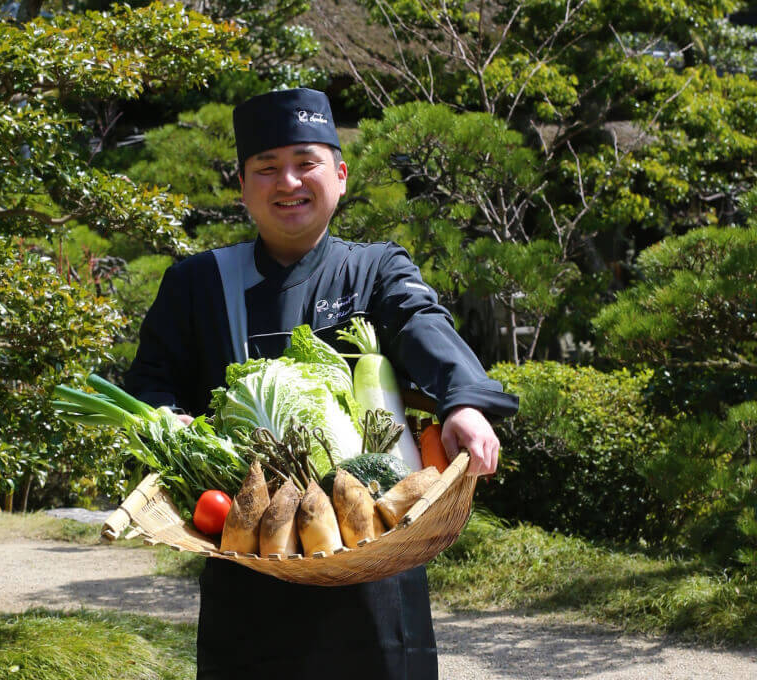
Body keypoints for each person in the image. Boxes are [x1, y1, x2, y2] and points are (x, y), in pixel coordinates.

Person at [124, 88, 519, 680]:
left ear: (338, 175)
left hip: (374, 567)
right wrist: (164, 421)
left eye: (305, 163)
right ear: (242, 185)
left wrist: (462, 400)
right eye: (267, 168)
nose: (288, 182)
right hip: (248, 565)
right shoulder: (196, 284)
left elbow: (420, 324)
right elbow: (150, 386)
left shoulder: (378, 269)